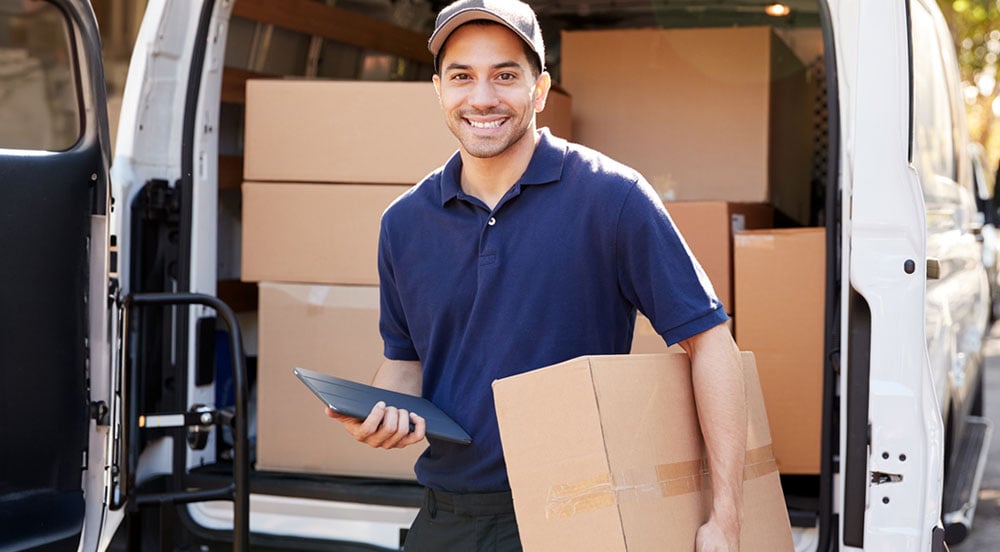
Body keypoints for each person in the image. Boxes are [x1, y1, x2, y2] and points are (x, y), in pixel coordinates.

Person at [327, 0, 747, 550]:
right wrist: (378, 418)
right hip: (447, 519)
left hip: (575, 513)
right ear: (438, 90)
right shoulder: (404, 223)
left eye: (505, 75)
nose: (481, 98)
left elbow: (711, 343)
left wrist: (726, 517)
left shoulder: (612, 198)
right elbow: (404, 364)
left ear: (540, 89)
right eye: (462, 77)